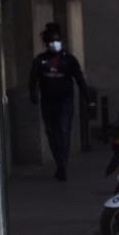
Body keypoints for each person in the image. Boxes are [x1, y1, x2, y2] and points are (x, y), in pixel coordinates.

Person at [29, 22, 88, 181]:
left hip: (65, 100)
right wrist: (33, 93)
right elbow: (33, 78)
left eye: (57, 41)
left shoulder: (69, 60)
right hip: (48, 101)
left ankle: (63, 166)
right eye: (51, 42)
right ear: (47, 44)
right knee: (51, 133)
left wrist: (88, 99)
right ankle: (60, 162)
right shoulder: (40, 61)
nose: (55, 44)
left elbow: (79, 79)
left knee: (63, 130)